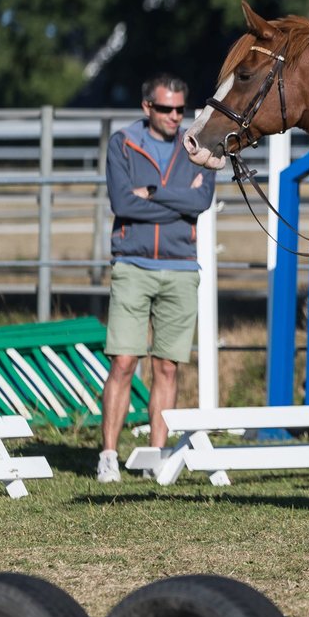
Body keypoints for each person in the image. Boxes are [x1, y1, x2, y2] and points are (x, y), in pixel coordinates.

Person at [97, 75, 215, 482]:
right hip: (132, 263)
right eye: (166, 109)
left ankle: (156, 456)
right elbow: (122, 203)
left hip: (182, 268)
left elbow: (201, 202)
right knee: (124, 361)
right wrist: (175, 202)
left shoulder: (199, 144)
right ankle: (109, 455)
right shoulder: (123, 144)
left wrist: (153, 193)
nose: (175, 116)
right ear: (147, 107)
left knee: (167, 367)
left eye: (180, 109)